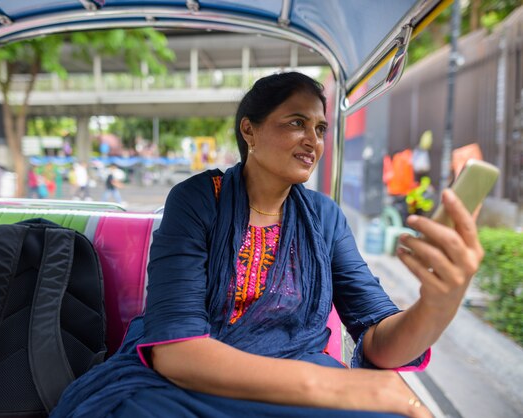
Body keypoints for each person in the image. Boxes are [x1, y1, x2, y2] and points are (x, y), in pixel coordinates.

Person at [52, 73, 485, 418]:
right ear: (250, 132)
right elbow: (177, 353)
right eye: (296, 122)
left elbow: (377, 340)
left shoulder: (324, 217)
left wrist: (438, 303)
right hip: (185, 384)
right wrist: (336, 386)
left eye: (319, 127)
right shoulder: (199, 199)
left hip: (294, 372)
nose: (314, 140)